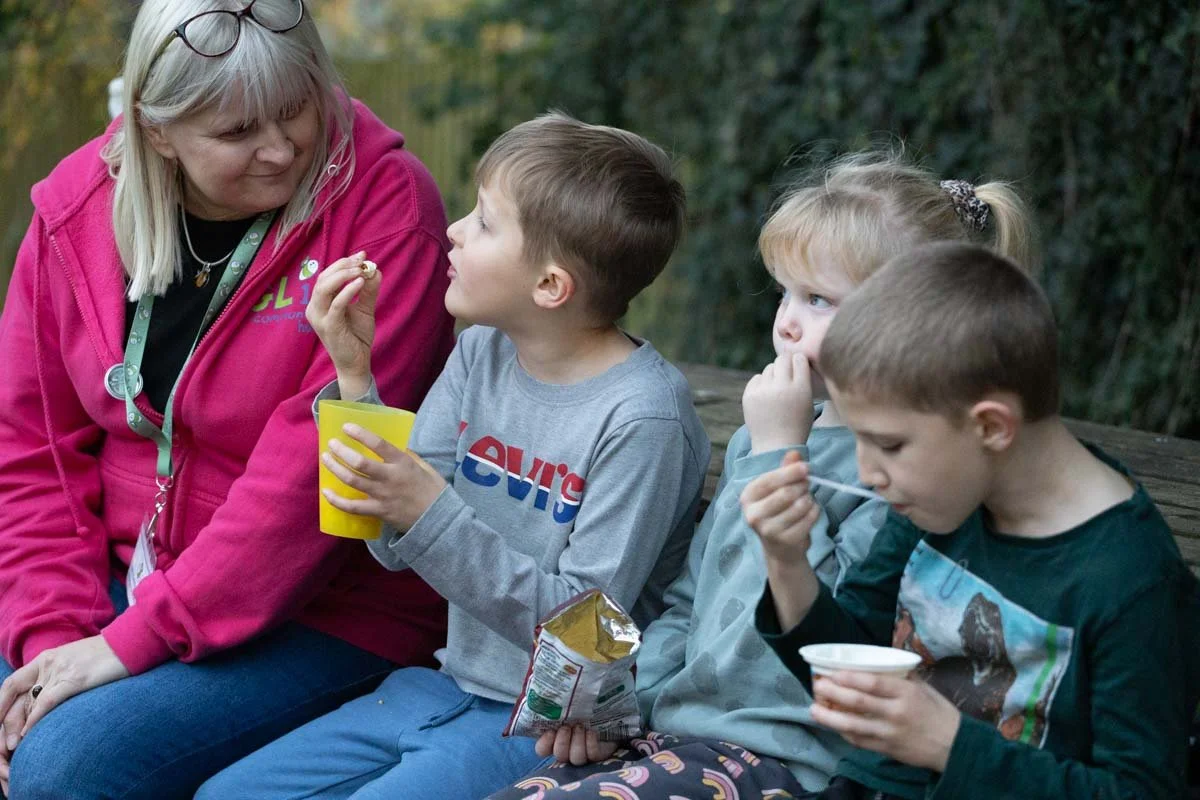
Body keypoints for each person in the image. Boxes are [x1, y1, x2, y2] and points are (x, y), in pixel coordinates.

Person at [0, 1, 455, 797]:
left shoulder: (385, 212)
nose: (280, 150)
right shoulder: (73, 212)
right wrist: (56, 640)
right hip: (117, 578)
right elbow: (32, 448)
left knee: (66, 764)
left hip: (323, 609)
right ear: (156, 129)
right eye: (237, 132)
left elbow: (309, 474)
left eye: (296, 110)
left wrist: (127, 646)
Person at [484, 152, 1039, 799]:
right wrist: (624, 708)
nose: (787, 320)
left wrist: (780, 454)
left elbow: (819, 639)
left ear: (916, 323)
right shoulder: (764, 431)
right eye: (785, 291)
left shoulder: (902, 472)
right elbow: (690, 601)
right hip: (679, 740)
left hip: (786, 759)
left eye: (819, 299)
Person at [196, 111, 711, 799]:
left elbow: (588, 637)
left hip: (546, 727)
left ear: (551, 287)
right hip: (442, 684)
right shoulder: (479, 353)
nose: (456, 230)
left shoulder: (642, 417)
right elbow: (387, 543)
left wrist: (428, 511)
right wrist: (353, 374)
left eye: (487, 223)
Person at [745, 241, 1200, 799]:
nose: (869, 471)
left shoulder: (1129, 581)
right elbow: (848, 672)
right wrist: (786, 561)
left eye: (888, 444)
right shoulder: (941, 502)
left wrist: (949, 745)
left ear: (990, 427)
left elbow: (1143, 791)